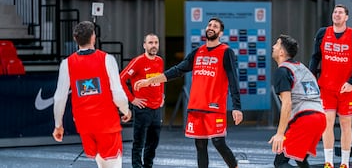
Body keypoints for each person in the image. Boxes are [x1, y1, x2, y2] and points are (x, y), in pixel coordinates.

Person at [134, 17, 243, 168]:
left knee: (218, 142)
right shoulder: (197, 52)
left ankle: (235, 166)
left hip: (215, 107)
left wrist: (237, 107)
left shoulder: (226, 52)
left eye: (215, 26)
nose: (211, 27)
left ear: (221, 33)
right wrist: (150, 81)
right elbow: (177, 70)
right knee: (200, 145)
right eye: (210, 24)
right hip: (196, 106)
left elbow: (233, 79)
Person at [52, 21, 132, 168]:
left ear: (76, 39)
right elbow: (118, 93)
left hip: (85, 124)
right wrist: (125, 110)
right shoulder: (107, 59)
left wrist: (58, 125)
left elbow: (59, 98)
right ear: (93, 37)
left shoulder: (66, 63)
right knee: (114, 163)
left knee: (101, 162)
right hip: (106, 122)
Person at [309, 4, 352, 168]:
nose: (337, 14)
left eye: (340, 13)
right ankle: (328, 161)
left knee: (346, 125)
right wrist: (311, 76)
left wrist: (351, 82)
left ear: (346, 17)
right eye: (335, 12)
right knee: (327, 123)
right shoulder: (323, 33)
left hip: (347, 89)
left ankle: (344, 162)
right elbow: (315, 57)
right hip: (327, 88)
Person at [269, 34, 326, 168]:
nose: (273, 46)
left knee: (280, 163)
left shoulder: (282, 71)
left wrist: (280, 133)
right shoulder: (302, 67)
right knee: (299, 159)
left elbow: (287, 104)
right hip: (320, 118)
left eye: (276, 44)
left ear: (282, 52)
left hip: (305, 119)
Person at [119, 33, 164, 168]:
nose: (153, 45)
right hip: (142, 109)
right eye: (150, 43)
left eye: (156, 42)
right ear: (144, 45)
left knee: (153, 142)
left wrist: (162, 96)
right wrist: (132, 99)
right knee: (139, 142)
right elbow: (121, 78)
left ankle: (148, 166)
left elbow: (161, 80)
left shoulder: (159, 61)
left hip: (157, 110)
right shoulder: (138, 61)